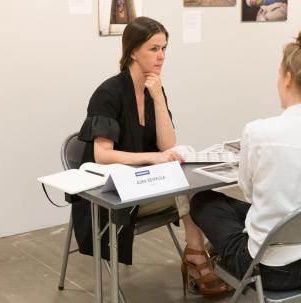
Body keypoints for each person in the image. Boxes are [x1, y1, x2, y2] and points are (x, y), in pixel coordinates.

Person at [190, 28, 301, 290]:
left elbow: (249, 192)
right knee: (261, 210)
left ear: (287, 78)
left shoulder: (257, 132)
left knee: (204, 201)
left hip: (268, 271)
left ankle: (202, 259)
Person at [74, 16, 227, 298]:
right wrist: (153, 159)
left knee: (192, 181)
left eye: (164, 48)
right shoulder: (108, 93)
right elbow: (102, 155)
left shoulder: (155, 86)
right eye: (153, 49)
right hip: (108, 193)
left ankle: (196, 251)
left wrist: (157, 97)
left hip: (146, 183)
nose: (161, 56)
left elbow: (168, 143)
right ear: (133, 51)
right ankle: (199, 256)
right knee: (188, 186)